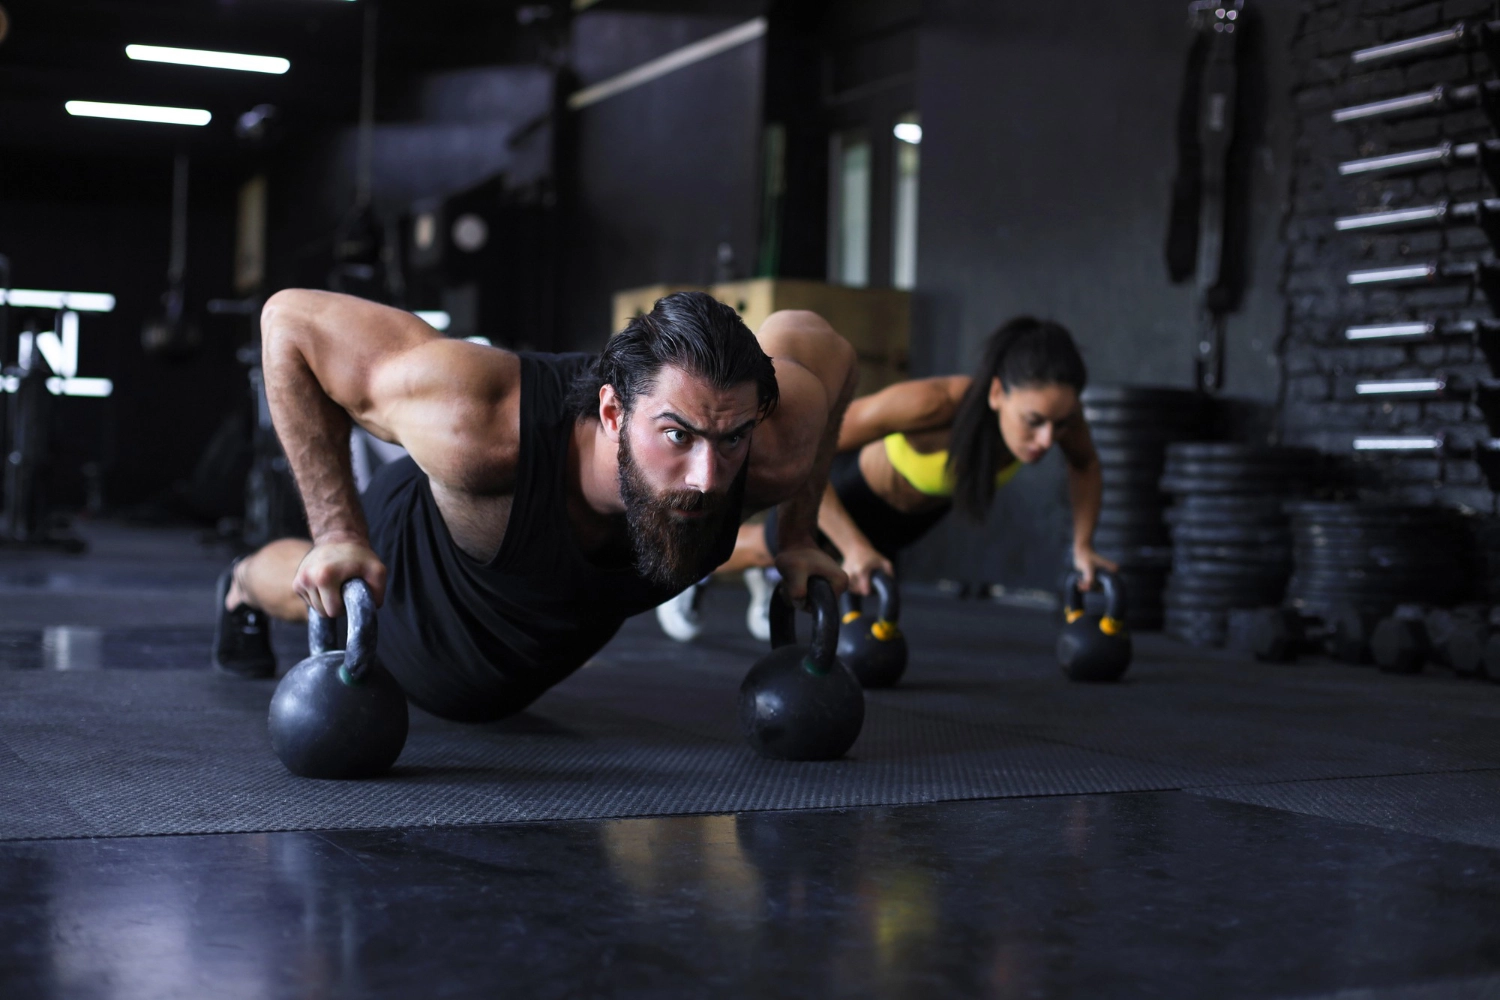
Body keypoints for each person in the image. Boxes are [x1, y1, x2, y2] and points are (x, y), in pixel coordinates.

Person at [212, 290, 856, 722]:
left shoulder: (769, 443)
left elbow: (821, 344)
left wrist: (797, 535)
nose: (708, 477)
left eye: (731, 439)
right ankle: (242, 584)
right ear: (612, 411)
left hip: (539, 640)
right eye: (676, 435)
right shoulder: (481, 424)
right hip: (417, 595)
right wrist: (335, 532)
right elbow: (289, 320)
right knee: (318, 584)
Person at [655, 316, 1112, 642]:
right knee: (771, 548)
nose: (1047, 438)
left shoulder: (1059, 422)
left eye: (1060, 423)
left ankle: (766, 569)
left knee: (808, 565)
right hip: (847, 491)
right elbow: (812, 449)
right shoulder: (932, 405)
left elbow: (1086, 466)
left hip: (906, 521)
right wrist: (853, 546)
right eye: (1033, 421)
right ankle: (692, 571)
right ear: (996, 393)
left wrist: (1083, 546)